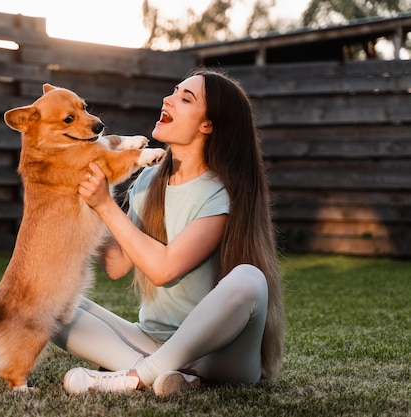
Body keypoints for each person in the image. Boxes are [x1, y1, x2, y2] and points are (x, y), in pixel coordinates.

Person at [51, 67, 285, 397]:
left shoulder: (219, 193)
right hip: (154, 340)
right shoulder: (148, 181)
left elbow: (164, 269)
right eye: (173, 91)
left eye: (184, 98)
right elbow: (117, 265)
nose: (168, 99)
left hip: (221, 354)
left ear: (208, 125)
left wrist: (105, 205)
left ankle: (134, 376)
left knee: (249, 279)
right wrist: (81, 202)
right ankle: (170, 376)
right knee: (51, 306)